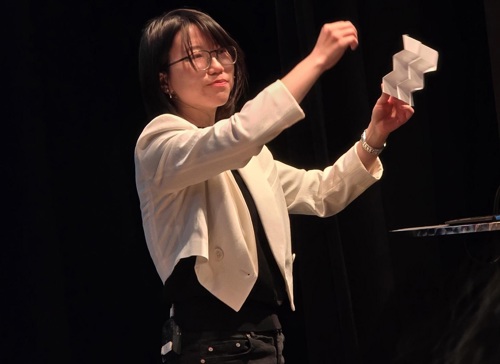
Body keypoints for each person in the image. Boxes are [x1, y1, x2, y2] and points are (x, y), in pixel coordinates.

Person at [135, 7, 414, 364]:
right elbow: (241, 133)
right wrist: (316, 60)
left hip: (264, 339)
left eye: (222, 52)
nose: (217, 65)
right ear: (164, 80)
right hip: (210, 345)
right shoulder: (158, 144)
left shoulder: (250, 155)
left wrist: (375, 135)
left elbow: (321, 192)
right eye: (196, 56)